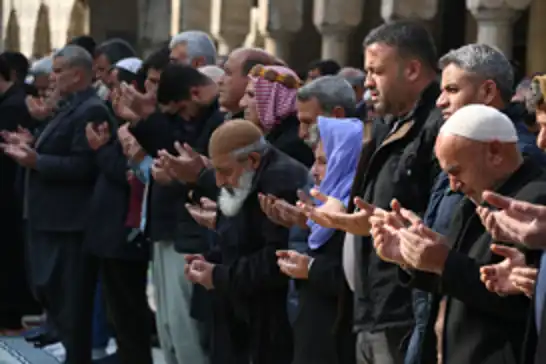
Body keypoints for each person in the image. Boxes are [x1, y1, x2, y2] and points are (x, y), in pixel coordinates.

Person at [301, 20, 442, 364]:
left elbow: (442, 223)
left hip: (404, 312)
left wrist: (378, 225)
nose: (368, 83)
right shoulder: (384, 124)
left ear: (411, 69)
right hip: (369, 310)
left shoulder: (437, 129)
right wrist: (340, 215)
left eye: (376, 71)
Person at [370, 104, 544, 364]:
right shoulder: (471, 199)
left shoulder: (534, 202)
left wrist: (443, 262)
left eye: (456, 171)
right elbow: (453, 281)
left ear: (495, 152)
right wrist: (412, 256)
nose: (453, 184)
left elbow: (522, 306)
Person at [1, 45, 112, 364]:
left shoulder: (91, 110)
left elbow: (84, 166)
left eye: (60, 70)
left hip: (69, 222)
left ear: (78, 74)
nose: (53, 77)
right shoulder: (68, 108)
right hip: (49, 219)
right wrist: (32, 144)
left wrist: (37, 160)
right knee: (52, 295)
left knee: (71, 303)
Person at [185, 119, 310, 364]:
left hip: (271, 318)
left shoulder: (279, 182)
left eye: (224, 171)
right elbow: (238, 240)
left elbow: (277, 259)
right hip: (241, 311)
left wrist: (220, 276)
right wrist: (212, 261)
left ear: (252, 160)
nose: (219, 182)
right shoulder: (245, 178)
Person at [262, 116, 362, 364]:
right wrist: (305, 224)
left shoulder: (358, 211)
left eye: (323, 162)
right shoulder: (329, 204)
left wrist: (311, 268)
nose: (313, 171)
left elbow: (356, 281)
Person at [240, 64, 314, 167]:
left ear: (275, 99)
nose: (242, 103)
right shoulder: (277, 136)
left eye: (251, 95)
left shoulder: (290, 146)